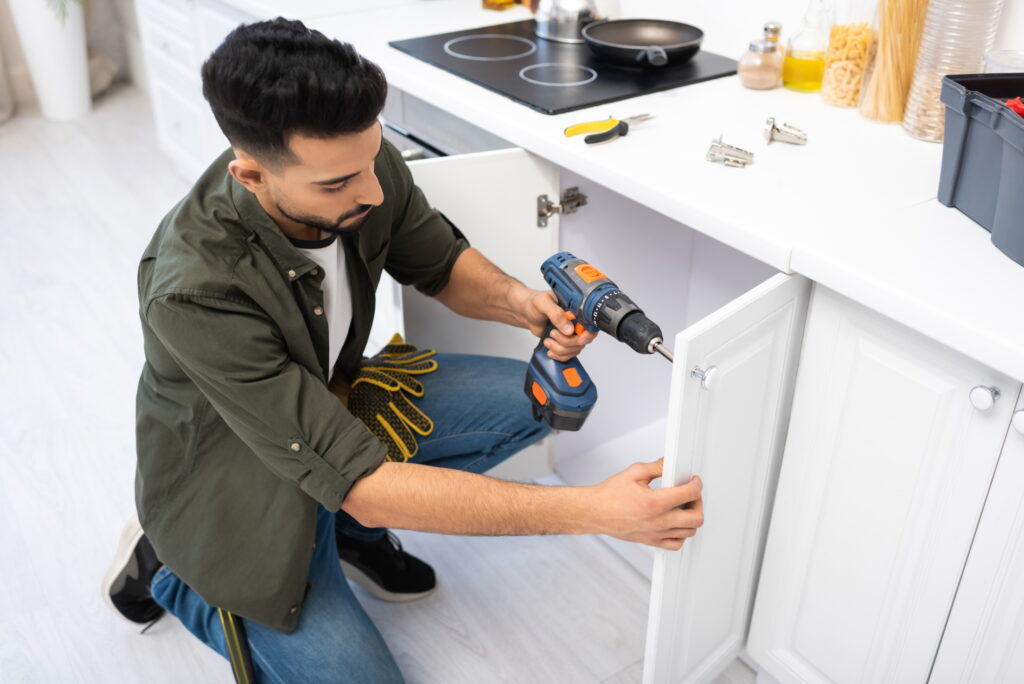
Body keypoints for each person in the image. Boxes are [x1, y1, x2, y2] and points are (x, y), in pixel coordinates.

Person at [100, 18, 704, 683]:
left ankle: (346, 535)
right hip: (234, 491)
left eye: (371, 158)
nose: (373, 191)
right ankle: (175, 567)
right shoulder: (196, 289)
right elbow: (368, 486)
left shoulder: (359, 165)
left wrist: (521, 303)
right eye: (336, 184)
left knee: (525, 400)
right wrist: (594, 511)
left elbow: (438, 261)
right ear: (250, 176)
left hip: (323, 414)